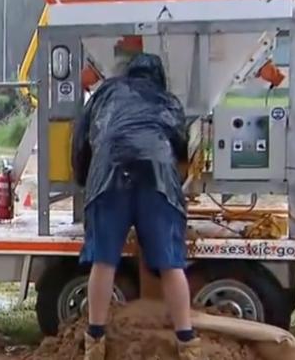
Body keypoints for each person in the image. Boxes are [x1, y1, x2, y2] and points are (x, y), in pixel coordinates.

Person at [71, 52, 201, 360]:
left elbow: (80, 139)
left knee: (104, 262)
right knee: (171, 263)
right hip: (156, 177)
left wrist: (83, 179)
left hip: (108, 174)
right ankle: (188, 343)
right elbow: (181, 149)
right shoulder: (167, 101)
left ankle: (95, 342)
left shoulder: (106, 92)